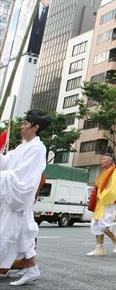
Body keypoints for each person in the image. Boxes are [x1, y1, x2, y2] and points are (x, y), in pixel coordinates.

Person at [0, 111, 50, 286]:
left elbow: (23, 176)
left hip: (19, 197)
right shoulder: (21, 147)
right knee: (23, 236)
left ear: (35, 127)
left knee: (8, 234)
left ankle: (27, 270)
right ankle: (31, 270)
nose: (22, 126)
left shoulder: (37, 148)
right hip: (13, 198)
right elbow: (5, 163)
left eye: (26, 123)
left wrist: (3, 176)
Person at [86, 148, 116, 257]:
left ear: (110, 161)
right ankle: (99, 248)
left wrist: (102, 195)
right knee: (96, 224)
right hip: (99, 202)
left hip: (107, 202)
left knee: (103, 224)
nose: (101, 161)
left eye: (104, 159)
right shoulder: (103, 172)